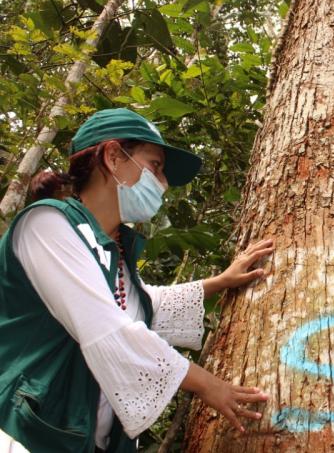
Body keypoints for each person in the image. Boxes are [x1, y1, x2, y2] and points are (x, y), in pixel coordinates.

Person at [0, 109, 274, 452]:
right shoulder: (47, 225)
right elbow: (106, 326)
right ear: (113, 157)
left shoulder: (117, 252)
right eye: (155, 166)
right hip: (21, 435)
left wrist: (218, 282)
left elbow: (143, 304)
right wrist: (208, 385)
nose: (162, 183)